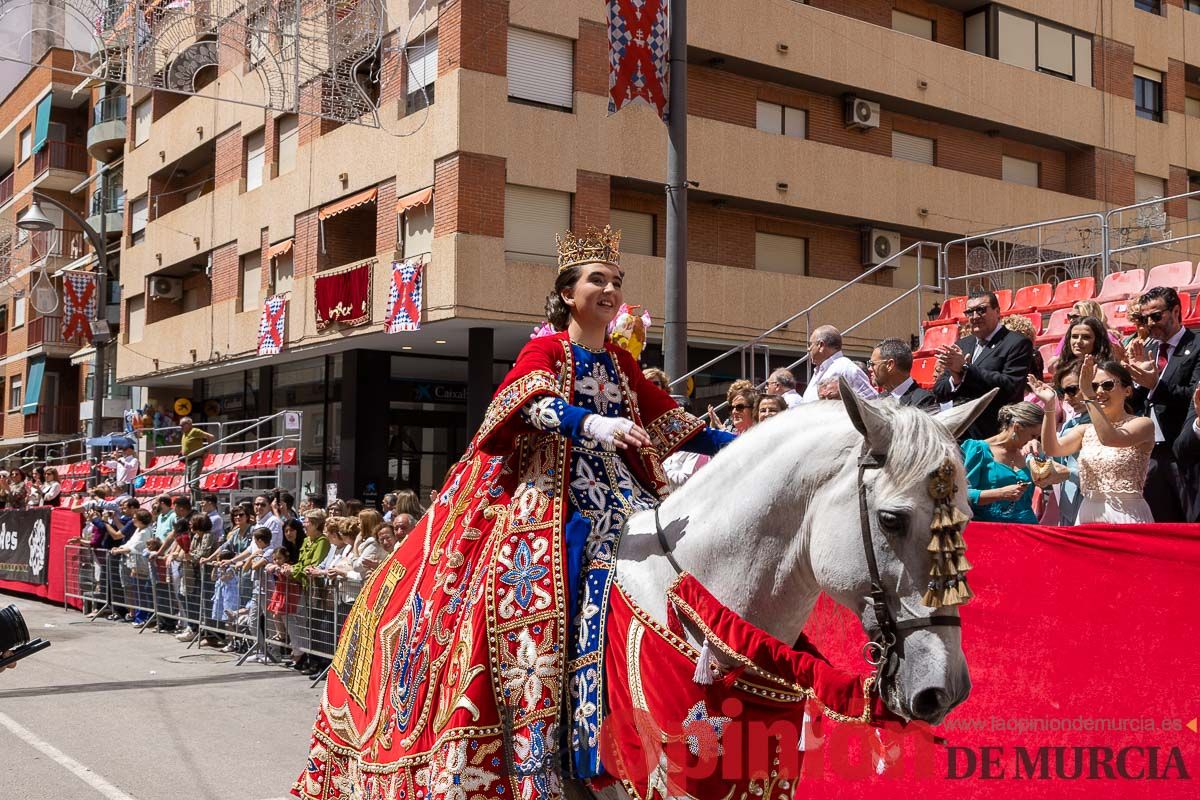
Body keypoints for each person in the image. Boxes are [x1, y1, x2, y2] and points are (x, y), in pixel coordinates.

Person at [298, 225, 735, 790]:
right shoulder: (549, 348)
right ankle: (550, 735)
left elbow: (675, 425)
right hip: (557, 496)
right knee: (554, 585)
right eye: (597, 279)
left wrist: (747, 445)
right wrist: (591, 422)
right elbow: (523, 401)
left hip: (623, 495)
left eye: (616, 282)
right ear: (567, 293)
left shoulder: (623, 367)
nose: (610, 289)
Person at [1032, 359, 1155, 524]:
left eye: (1107, 385)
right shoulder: (1085, 430)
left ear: (1127, 391)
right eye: (1094, 386)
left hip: (1126, 515)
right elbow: (1052, 449)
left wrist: (1089, 396)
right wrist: (1049, 405)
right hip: (1088, 513)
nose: (1099, 391)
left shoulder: (1143, 424)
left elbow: (1110, 438)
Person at [1124, 287, 1200, 522]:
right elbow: (1138, 401)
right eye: (1144, 318)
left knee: (1191, 522)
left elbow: (1194, 396)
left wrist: (1156, 385)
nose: (1150, 323)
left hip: (1184, 449)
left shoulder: (1197, 345)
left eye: (1156, 316)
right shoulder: (1147, 349)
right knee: (1162, 524)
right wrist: (1134, 382)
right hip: (1153, 452)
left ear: (1176, 311)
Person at [933, 290, 1034, 439]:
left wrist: (965, 369)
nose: (974, 317)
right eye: (969, 312)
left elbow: (1010, 387)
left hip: (996, 433)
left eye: (981, 310)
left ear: (997, 311)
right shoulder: (962, 344)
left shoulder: (1016, 343)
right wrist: (955, 379)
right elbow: (940, 391)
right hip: (961, 434)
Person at [960, 402, 1047, 523]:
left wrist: (1041, 456)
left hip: (1027, 530)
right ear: (1017, 427)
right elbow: (962, 494)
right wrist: (1000, 493)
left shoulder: (1030, 453)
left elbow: (1048, 482)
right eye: (1033, 435)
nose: (1034, 440)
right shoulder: (978, 449)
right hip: (989, 530)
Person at [1040, 362, 1090, 526]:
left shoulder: (1104, 424)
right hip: (1068, 502)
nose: (1067, 398)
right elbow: (1053, 452)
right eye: (1063, 392)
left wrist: (1067, 472)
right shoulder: (1073, 422)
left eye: (1072, 390)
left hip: (1093, 504)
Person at [801, 326, 876, 403]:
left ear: (821, 345)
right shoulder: (821, 369)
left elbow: (872, 402)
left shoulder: (846, 368)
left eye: (810, 344)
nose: (808, 349)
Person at [869, 337, 938, 412]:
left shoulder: (923, 400)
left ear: (889, 365)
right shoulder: (879, 399)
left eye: (872, 364)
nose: (869, 369)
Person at [178, 417, 215, 502]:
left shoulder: (194, 431)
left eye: (182, 425)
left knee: (194, 484)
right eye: (180, 425)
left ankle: (197, 504)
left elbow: (210, 436)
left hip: (196, 459)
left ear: (189, 424)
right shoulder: (184, 434)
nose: (181, 427)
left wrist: (207, 451)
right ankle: (192, 503)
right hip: (188, 461)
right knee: (190, 484)